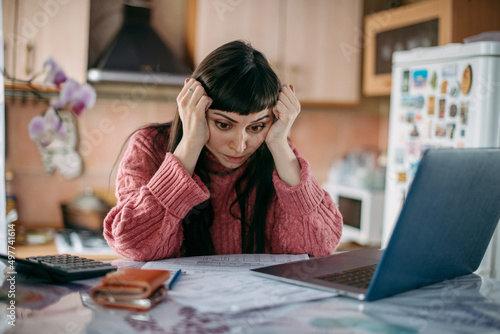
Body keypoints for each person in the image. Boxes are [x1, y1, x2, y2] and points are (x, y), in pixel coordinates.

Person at [104, 40, 343, 261]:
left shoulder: (276, 151)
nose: (240, 145)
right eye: (223, 124)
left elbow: (321, 246)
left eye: (256, 126)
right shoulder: (150, 146)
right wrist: (190, 144)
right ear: (194, 108)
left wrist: (280, 144)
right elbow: (133, 245)